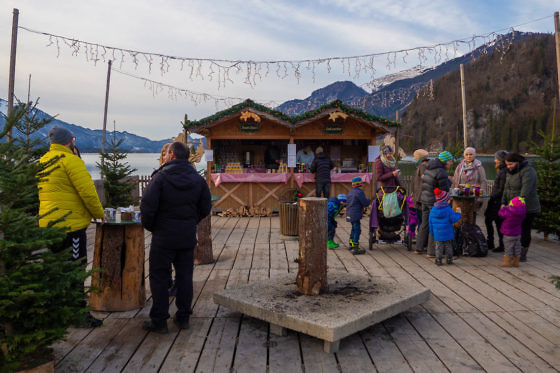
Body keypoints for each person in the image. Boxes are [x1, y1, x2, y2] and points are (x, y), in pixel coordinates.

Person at [141, 142, 211, 333]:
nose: (163, 157)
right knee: (185, 277)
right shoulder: (197, 179)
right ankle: (184, 317)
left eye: (165, 154)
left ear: (171, 155)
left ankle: (159, 320)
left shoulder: (160, 178)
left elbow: (147, 207)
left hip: (163, 236)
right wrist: (192, 221)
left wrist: (153, 227)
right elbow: (206, 206)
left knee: (159, 277)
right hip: (187, 235)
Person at [38, 126, 105, 328]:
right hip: (70, 225)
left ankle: (56, 312)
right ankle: (77, 314)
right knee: (76, 269)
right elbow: (88, 192)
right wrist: (99, 214)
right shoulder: (71, 161)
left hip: (49, 224)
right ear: (69, 141)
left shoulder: (43, 161)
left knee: (56, 268)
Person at [501, 152, 540, 262]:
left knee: (525, 230)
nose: (508, 167)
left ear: (517, 162)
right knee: (514, 230)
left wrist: (516, 205)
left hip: (527, 207)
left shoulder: (528, 171)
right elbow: (506, 188)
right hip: (512, 208)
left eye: (510, 164)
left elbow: (525, 191)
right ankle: (514, 252)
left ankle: (522, 254)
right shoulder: (510, 172)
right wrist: (503, 202)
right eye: (507, 165)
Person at [416, 150, 453, 257]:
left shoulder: (429, 167)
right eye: (450, 161)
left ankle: (419, 247)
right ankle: (431, 252)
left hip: (425, 199)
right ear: (445, 161)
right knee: (435, 225)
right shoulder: (441, 171)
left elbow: (430, 183)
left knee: (424, 223)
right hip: (434, 202)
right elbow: (444, 190)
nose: (451, 163)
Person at [429, 188, 462, 265]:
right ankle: (449, 259)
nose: (450, 200)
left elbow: (430, 222)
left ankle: (438, 260)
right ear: (445, 200)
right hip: (447, 233)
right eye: (449, 199)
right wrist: (458, 213)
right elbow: (453, 219)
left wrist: (431, 232)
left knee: (438, 247)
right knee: (448, 246)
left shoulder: (433, 210)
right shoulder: (448, 210)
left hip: (437, 233)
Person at [485, 150, 508, 252]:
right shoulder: (502, 170)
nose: (494, 160)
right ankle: (492, 242)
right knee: (489, 220)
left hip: (497, 201)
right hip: (495, 200)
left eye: (496, 158)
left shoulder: (503, 172)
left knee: (497, 222)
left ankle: (499, 244)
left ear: (501, 160)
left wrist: (492, 196)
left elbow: (501, 188)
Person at [453, 147, 488, 212]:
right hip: (461, 197)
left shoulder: (479, 167)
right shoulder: (459, 167)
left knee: (472, 217)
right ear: (464, 156)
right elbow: (455, 180)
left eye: (471, 154)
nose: (468, 156)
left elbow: (483, 181)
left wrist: (481, 196)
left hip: (474, 197)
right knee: (461, 217)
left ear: (474, 155)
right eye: (466, 154)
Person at [497, 197, 526, 267]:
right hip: (517, 233)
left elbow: (500, 214)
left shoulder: (509, 211)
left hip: (508, 233)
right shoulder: (523, 211)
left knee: (508, 248)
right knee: (517, 247)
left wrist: (503, 208)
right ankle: (516, 262)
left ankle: (507, 262)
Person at [346, 177, 370, 255]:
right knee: (357, 230)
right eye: (361, 183)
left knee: (353, 228)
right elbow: (365, 203)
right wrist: (369, 201)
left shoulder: (350, 192)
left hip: (349, 213)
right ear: (359, 184)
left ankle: (351, 243)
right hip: (355, 213)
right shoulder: (359, 192)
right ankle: (356, 247)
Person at [412, 149, 430, 228]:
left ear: (419, 157)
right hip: (421, 197)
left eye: (415, 156)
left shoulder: (423, 166)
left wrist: (417, 198)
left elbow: (424, 182)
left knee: (421, 221)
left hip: (421, 199)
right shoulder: (423, 165)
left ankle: (421, 238)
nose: (414, 158)